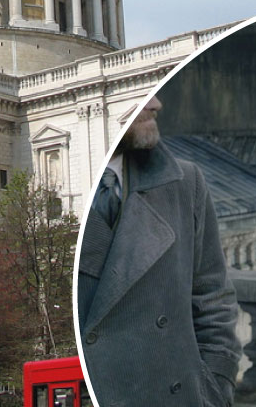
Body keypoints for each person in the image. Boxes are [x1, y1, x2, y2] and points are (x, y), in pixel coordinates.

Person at [78, 95, 240, 406]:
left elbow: (213, 298)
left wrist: (216, 384)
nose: (156, 104)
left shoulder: (186, 182)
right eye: (141, 98)